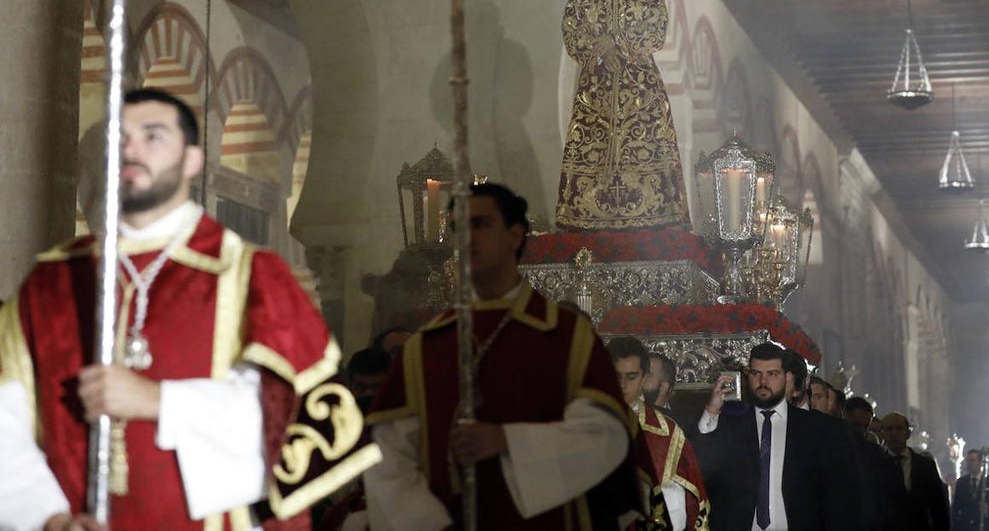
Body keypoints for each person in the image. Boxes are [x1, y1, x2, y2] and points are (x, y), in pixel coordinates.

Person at [0, 88, 374, 531]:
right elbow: (6, 418)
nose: (131, 149)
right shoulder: (51, 282)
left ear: (193, 160)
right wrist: (50, 519)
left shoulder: (250, 276)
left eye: (153, 136)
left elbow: (296, 416)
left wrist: (162, 402)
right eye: (121, 137)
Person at [363, 182, 641, 530]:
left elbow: (604, 437)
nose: (467, 237)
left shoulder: (567, 337)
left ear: (515, 235)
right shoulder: (425, 347)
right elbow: (387, 458)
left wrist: (508, 441)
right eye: (458, 227)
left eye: (481, 224)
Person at [555, 0, 690, 231]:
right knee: (592, 144)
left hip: (640, 86)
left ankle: (658, 217)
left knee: (649, 141)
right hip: (596, 89)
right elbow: (572, 31)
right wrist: (600, 51)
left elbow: (656, 30)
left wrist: (618, 44)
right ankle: (588, 217)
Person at [689, 341, 863, 531]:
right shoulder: (731, 427)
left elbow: (840, 496)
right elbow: (698, 467)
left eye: (772, 374)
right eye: (756, 374)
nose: (763, 382)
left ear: (787, 378)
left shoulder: (818, 428)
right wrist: (712, 410)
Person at [608, 337, 709, 531]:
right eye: (615, 376)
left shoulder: (667, 434)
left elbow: (684, 504)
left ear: (644, 378)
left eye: (631, 377)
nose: (622, 385)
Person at [879, 412, 951, 531]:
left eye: (899, 428)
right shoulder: (876, 465)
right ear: (883, 434)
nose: (893, 433)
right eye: (889, 429)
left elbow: (938, 505)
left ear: (908, 433)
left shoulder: (925, 465)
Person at [953, 449, 989, 531]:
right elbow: (956, 507)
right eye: (967, 460)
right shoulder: (961, 482)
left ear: (981, 462)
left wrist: (988, 509)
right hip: (964, 527)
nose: (969, 464)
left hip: (983, 526)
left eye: (972, 460)